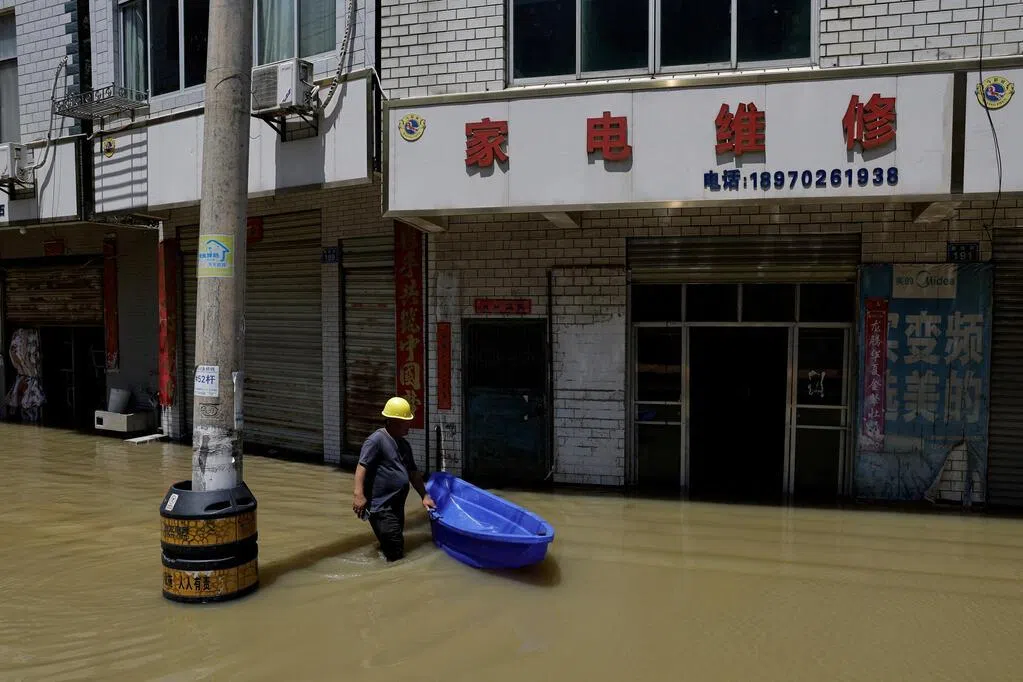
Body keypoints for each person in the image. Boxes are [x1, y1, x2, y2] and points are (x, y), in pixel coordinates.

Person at [352, 396, 436, 562]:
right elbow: (362, 467)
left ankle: (379, 558)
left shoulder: (403, 445)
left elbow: (413, 473)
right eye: (406, 421)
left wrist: (424, 496)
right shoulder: (376, 440)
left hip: (396, 506)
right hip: (381, 508)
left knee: (391, 544)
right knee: (396, 552)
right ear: (393, 421)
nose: (409, 425)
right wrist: (358, 495)